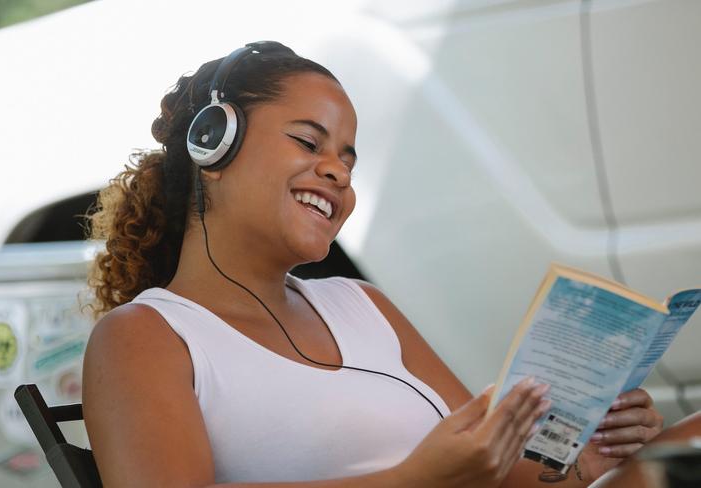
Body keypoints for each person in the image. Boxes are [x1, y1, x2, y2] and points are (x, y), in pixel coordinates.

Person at [81, 41, 664, 487]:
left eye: (348, 161)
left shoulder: (364, 305)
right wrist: (413, 480)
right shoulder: (145, 337)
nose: (337, 171)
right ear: (214, 146)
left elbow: (493, 473)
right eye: (309, 144)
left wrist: (583, 457)